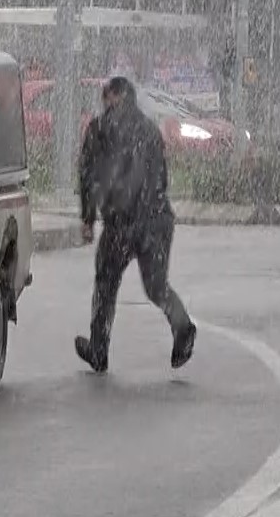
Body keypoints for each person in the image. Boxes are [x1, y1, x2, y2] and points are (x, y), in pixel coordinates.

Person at [75, 76, 197, 373]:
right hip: (157, 219)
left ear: (114, 96)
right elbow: (162, 178)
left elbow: (88, 176)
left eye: (106, 96)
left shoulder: (100, 129)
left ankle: (98, 350)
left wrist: (88, 219)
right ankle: (182, 327)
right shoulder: (149, 129)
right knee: (156, 286)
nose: (103, 103)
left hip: (121, 224)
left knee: (105, 285)